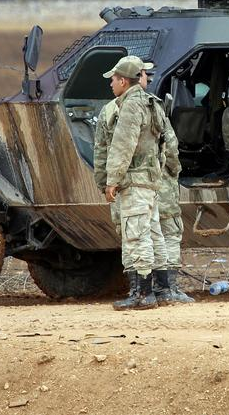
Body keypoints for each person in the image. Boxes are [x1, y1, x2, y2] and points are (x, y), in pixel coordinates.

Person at [98, 55, 169, 310]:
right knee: (152, 233)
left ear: (123, 81)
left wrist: (112, 180)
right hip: (149, 180)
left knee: (136, 235)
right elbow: (162, 145)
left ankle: (142, 294)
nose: (111, 84)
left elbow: (123, 145)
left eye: (114, 79)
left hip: (135, 180)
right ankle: (162, 290)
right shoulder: (152, 103)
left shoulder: (130, 105)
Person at [137, 68, 194, 304]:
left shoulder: (118, 108)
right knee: (170, 231)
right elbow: (170, 145)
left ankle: (144, 289)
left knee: (144, 233)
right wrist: (175, 169)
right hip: (160, 179)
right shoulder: (154, 108)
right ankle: (167, 288)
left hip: (137, 184)